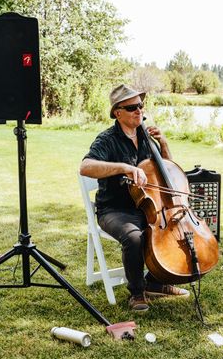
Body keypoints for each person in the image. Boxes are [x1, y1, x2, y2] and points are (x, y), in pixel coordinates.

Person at [80, 84, 190, 312]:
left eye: (140, 105)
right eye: (132, 107)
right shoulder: (107, 139)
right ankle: (137, 292)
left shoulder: (146, 136)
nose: (138, 110)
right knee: (135, 237)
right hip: (114, 209)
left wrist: (164, 144)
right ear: (117, 112)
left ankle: (157, 282)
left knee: (169, 230)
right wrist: (123, 168)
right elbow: (86, 167)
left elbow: (168, 170)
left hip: (147, 207)